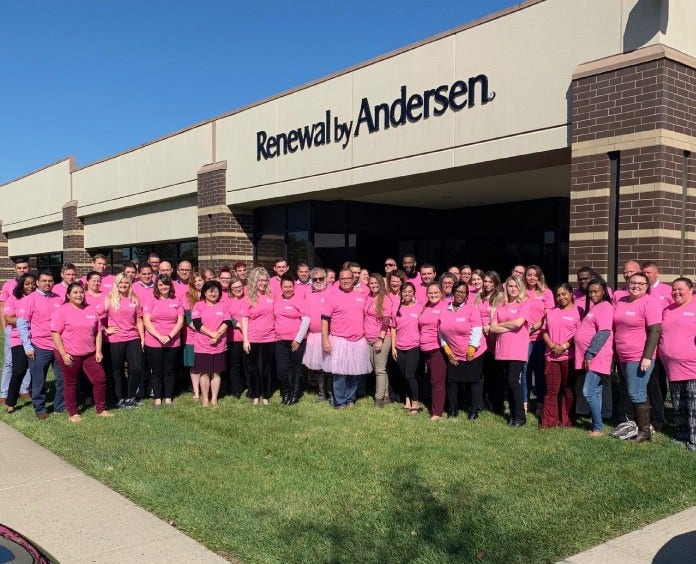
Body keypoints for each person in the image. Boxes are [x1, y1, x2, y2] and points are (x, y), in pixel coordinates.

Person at [50, 282, 113, 422]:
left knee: (100, 378)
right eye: (75, 292)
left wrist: (98, 351)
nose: (79, 295)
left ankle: (101, 410)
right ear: (68, 295)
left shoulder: (90, 309)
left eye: (81, 292)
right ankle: (73, 413)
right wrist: (64, 354)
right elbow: (55, 334)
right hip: (70, 353)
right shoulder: (62, 311)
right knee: (70, 383)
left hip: (89, 352)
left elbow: (98, 331)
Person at [613, 271, 662, 442]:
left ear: (647, 287)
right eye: (633, 282)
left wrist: (647, 356)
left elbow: (655, 330)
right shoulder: (622, 301)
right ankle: (639, 427)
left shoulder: (650, 303)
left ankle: (644, 431)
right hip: (623, 356)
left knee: (637, 392)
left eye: (641, 284)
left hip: (639, 356)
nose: (636, 286)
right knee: (634, 391)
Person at [17, 270, 65, 418]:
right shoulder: (30, 299)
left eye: (50, 281)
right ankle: (40, 409)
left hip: (58, 346)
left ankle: (60, 406)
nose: (47, 283)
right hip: (39, 346)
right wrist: (27, 346)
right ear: (37, 282)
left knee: (62, 378)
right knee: (39, 380)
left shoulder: (59, 298)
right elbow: (22, 323)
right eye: (44, 281)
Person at [321, 269, 372, 409]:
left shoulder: (362, 295)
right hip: (339, 339)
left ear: (353, 279)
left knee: (355, 372)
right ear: (339, 279)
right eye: (343, 278)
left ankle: (351, 399)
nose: (346, 281)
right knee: (340, 373)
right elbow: (324, 320)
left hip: (358, 340)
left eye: (348, 278)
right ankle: (340, 401)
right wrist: (325, 340)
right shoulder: (332, 296)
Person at [659, 277, 696, 451]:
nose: (676, 292)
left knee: (693, 405)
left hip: (692, 366)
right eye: (673, 289)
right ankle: (681, 435)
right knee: (678, 402)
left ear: (691, 289)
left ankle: (694, 440)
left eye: (680, 289)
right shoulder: (668, 309)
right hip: (672, 367)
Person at [440, 282, 486, 420]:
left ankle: (473, 410)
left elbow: (477, 330)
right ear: (453, 292)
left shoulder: (471, 309)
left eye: (463, 292)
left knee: (473, 381)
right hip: (453, 353)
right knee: (452, 381)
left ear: (467, 295)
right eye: (458, 291)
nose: (460, 294)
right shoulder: (445, 309)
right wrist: (448, 351)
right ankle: (453, 408)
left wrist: (471, 350)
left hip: (473, 352)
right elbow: (440, 332)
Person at [575, 278, 614, 437]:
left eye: (595, 291)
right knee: (595, 392)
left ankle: (597, 427)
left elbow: (604, 332)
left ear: (604, 291)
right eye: (590, 292)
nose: (592, 294)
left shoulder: (605, 306)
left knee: (588, 391)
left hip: (598, 355)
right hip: (592, 355)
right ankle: (597, 426)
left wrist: (590, 353)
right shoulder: (595, 307)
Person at [490, 276, 530, 427]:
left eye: (516, 286)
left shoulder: (524, 303)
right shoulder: (501, 304)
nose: (513, 289)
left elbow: (518, 323)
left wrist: (502, 325)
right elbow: (492, 326)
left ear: (520, 288)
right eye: (510, 286)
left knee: (514, 382)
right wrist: (508, 325)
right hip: (502, 349)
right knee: (508, 383)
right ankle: (513, 414)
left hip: (516, 349)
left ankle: (520, 416)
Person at [540, 283, 580, 429]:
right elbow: (543, 331)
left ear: (571, 294)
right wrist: (552, 346)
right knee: (551, 390)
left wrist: (564, 346)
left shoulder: (578, 312)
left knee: (568, 389)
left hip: (569, 357)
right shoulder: (551, 312)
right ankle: (548, 421)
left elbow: (579, 333)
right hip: (551, 357)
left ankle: (566, 420)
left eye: (564, 294)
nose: (561, 297)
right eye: (558, 295)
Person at [142, 274, 184, 408]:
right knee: (156, 370)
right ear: (157, 286)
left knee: (170, 370)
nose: (163, 287)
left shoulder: (177, 300)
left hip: (173, 341)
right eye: (160, 284)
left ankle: (168, 398)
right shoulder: (151, 299)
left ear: (170, 286)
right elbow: (146, 321)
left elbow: (180, 322)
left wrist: (170, 336)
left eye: (166, 284)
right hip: (154, 341)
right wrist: (160, 336)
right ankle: (158, 398)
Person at [103, 273, 144, 409]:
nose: (124, 285)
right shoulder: (109, 299)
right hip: (116, 339)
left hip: (133, 337)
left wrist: (142, 339)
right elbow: (96, 317)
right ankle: (119, 398)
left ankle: (131, 397)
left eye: (126, 283)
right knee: (117, 369)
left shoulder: (135, 300)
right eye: (121, 283)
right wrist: (105, 329)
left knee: (136, 368)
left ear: (130, 284)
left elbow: (139, 321)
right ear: (116, 284)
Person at [192, 280, 231, 407]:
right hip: (203, 345)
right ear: (204, 292)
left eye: (216, 291)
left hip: (219, 345)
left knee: (216, 372)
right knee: (204, 372)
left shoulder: (224, 305)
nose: (213, 293)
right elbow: (197, 324)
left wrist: (218, 335)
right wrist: (212, 334)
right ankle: (205, 399)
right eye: (210, 291)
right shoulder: (198, 306)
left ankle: (214, 398)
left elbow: (227, 322)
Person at [241, 267, 276, 405]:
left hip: (269, 338)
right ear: (254, 282)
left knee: (266, 369)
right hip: (253, 339)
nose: (263, 283)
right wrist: (245, 339)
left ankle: (266, 396)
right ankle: (256, 395)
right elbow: (244, 319)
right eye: (260, 280)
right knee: (253, 368)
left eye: (265, 280)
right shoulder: (248, 298)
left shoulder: (271, 296)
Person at [523, 264, 554, 415]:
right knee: (525, 371)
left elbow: (547, 316)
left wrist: (533, 328)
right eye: (529, 275)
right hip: (523, 339)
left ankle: (541, 402)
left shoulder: (547, 293)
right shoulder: (521, 291)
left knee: (540, 372)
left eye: (535, 275)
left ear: (540, 276)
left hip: (540, 338)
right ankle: (525, 402)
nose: (532, 277)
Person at [274, 275, 310, 404]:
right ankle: (285, 393)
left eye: (290, 286)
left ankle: (294, 395)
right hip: (280, 341)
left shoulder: (300, 300)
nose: (288, 289)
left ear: (294, 287)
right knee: (282, 369)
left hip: (297, 341)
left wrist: (298, 340)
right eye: (285, 287)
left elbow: (306, 321)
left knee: (296, 368)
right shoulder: (277, 301)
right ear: (281, 288)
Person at [4, 273, 37, 413]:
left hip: (37, 337)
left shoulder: (38, 297)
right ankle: (10, 402)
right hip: (18, 338)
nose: (30, 286)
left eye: (33, 283)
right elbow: (8, 318)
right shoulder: (13, 298)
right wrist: (26, 320)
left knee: (37, 371)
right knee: (19, 370)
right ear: (21, 285)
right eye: (27, 283)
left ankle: (37, 399)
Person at [1, 257, 31, 404]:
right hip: (11, 329)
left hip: (29, 331)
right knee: (9, 362)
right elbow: (2, 308)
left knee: (27, 361)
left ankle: (24, 390)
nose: (22, 270)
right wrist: (4, 327)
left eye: (25, 267)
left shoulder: (33, 285)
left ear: (29, 268)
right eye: (19, 268)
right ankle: (4, 393)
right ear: (15, 269)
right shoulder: (8, 286)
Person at [302, 267, 332, 402]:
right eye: (315, 279)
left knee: (330, 366)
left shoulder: (333, 291)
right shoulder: (307, 292)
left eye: (321, 278)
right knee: (319, 367)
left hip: (329, 335)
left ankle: (331, 393)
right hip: (313, 336)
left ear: (326, 278)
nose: (318, 281)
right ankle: (321, 393)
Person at [391, 282, 421, 415]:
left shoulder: (420, 308)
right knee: (403, 375)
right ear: (401, 293)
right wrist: (393, 347)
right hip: (399, 346)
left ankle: (415, 402)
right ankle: (407, 401)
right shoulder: (397, 309)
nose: (407, 293)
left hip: (414, 346)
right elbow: (393, 329)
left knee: (410, 375)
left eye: (410, 291)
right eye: (404, 291)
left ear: (414, 293)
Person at [419, 282, 447, 420]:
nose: (433, 295)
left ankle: (437, 412)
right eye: (430, 293)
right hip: (425, 349)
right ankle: (433, 405)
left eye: (436, 292)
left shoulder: (445, 307)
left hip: (438, 349)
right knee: (429, 380)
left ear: (441, 293)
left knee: (437, 382)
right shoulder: (426, 306)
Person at [364, 273, 393, 407]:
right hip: (368, 338)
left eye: (376, 283)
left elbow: (386, 321)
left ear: (381, 284)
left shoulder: (385, 298)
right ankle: (386, 396)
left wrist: (380, 339)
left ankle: (378, 400)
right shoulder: (369, 296)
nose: (374, 285)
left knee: (380, 370)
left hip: (380, 337)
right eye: (371, 283)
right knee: (378, 369)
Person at [477, 271, 503, 413]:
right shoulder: (478, 297)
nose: (487, 284)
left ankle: (494, 404)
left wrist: (490, 327)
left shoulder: (499, 297)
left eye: (490, 282)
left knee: (494, 374)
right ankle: (480, 402)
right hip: (481, 339)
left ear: (495, 283)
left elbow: (499, 315)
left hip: (493, 338)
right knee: (482, 374)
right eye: (485, 281)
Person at [184, 273, 204, 399]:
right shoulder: (187, 297)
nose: (198, 283)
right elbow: (188, 318)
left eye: (200, 280)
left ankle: (205, 389)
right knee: (194, 365)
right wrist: (201, 330)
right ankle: (196, 391)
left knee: (204, 364)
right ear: (192, 284)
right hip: (192, 336)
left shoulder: (208, 294)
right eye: (195, 281)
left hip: (206, 336)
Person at [226, 275, 247, 398]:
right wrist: (238, 324)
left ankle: (249, 387)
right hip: (233, 338)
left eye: (239, 286)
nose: (238, 289)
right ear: (230, 289)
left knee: (248, 364)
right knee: (235, 364)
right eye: (234, 288)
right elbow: (227, 316)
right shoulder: (227, 301)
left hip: (248, 337)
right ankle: (235, 390)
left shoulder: (249, 298)